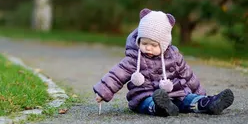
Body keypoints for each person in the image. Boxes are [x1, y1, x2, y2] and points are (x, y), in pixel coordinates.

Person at [93, 8, 234, 117]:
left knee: (189, 99)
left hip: (176, 93)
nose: (148, 48)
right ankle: (160, 108)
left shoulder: (174, 56)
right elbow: (117, 75)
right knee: (149, 103)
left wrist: (200, 93)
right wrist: (102, 92)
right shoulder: (134, 58)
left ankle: (208, 103)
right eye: (144, 43)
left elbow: (188, 76)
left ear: (164, 44)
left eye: (154, 45)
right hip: (144, 96)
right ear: (138, 40)